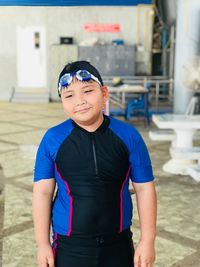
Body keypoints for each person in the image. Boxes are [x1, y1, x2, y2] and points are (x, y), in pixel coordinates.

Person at [32, 60, 157, 267]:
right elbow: (42, 193)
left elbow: (145, 189)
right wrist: (42, 243)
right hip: (69, 246)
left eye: (88, 91)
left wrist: (148, 240)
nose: (79, 101)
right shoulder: (53, 139)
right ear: (62, 102)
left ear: (104, 93)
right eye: (69, 95)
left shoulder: (128, 136)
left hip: (118, 243)